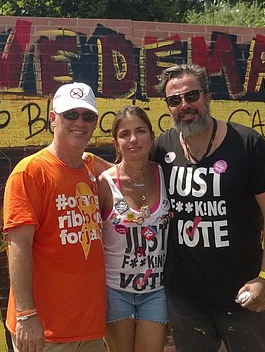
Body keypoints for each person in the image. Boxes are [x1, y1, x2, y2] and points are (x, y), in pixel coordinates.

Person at [153, 63, 265, 352]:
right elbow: (127, 173)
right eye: (174, 100)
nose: (184, 106)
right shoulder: (162, 148)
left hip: (242, 293)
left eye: (192, 96)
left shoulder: (247, 143)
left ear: (208, 96)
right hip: (185, 299)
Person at [3, 82, 107, 352]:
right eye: (70, 114)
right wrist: (26, 315)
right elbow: (18, 246)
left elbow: (127, 173)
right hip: (45, 329)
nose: (79, 122)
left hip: (89, 325)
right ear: (53, 119)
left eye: (88, 116)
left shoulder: (90, 170)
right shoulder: (30, 172)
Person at [97, 105, 169, 352]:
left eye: (140, 131)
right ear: (116, 143)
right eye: (124, 134)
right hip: (116, 291)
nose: (133, 139)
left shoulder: (165, 175)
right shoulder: (104, 183)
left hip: (156, 290)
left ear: (151, 135)